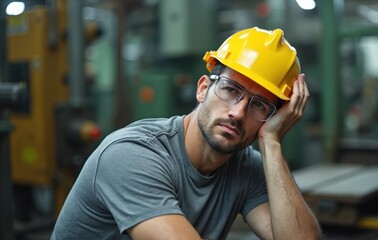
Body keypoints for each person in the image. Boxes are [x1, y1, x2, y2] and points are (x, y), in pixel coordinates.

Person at [51, 27, 322, 240]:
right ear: (203, 88)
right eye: (230, 90)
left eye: (259, 105)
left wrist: (271, 143)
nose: (238, 113)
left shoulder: (246, 168)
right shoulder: (131, 155)